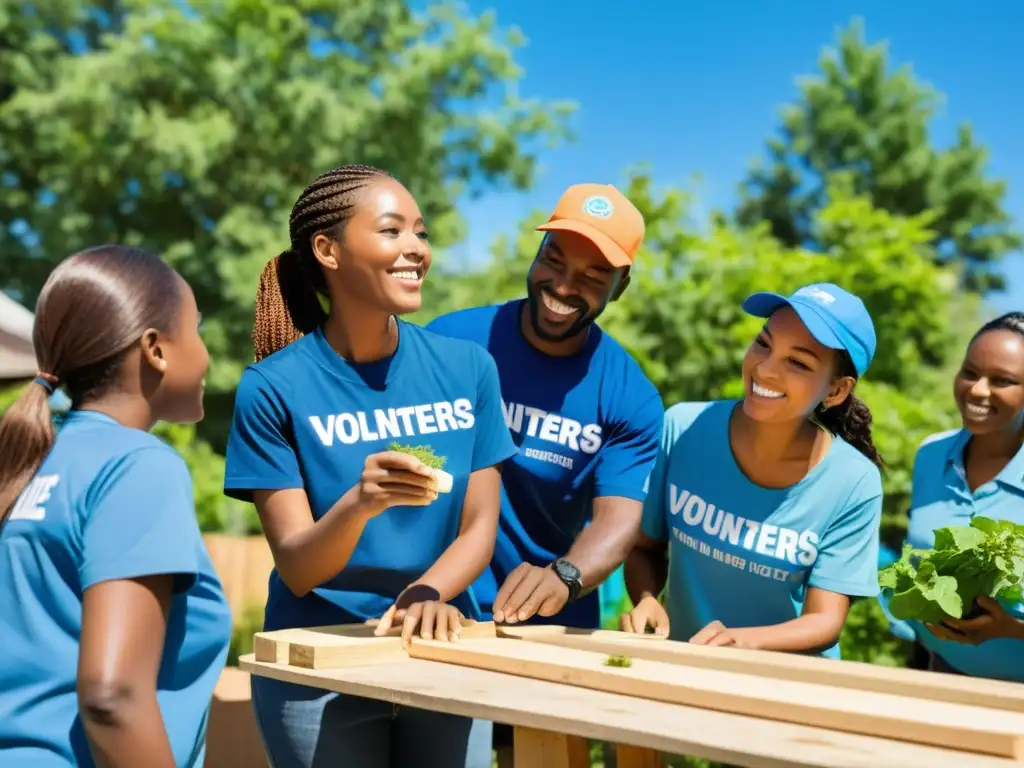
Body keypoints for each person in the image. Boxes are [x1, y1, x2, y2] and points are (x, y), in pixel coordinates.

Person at [223, 164, 517, 768]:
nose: (416, 249)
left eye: (421, 232)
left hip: (443, 650)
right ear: (328, 250)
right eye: (392, 231)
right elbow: (301, 567)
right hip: (317, 666)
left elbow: (479, 528)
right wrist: (362, 502)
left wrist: (430, 591)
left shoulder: (469, 369)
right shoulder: (273, 388)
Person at [428, 183, 663, 767]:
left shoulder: (628, 394)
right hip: (437, 611)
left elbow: (618, 520)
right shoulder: (452, 343)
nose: (562, 286)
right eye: (553, 260)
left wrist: (567, 573)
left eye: (591, 276)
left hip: (549, 625)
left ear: (620, 287)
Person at [0, 246, 232, 767]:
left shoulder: (29, 462)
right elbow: (112, 697)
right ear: (155, 349)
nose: (208, 354)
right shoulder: (137, 466)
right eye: (195, 329)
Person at [621, 283, 883, 657]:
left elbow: (825, 622)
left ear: (836, 391)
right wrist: (646, 598)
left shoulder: (855, 482)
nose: (765, 368)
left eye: (798, 362)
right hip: (683, 667)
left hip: (783, 686)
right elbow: (645, 548)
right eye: (763, 343)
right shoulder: (682, 427)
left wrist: (743, 642)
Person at [887, 312, 1024, 681]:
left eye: (1003, 381)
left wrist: (1011, 629)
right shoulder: (931, 455)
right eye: (970, 372)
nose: (978, 390)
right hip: (938, 673)